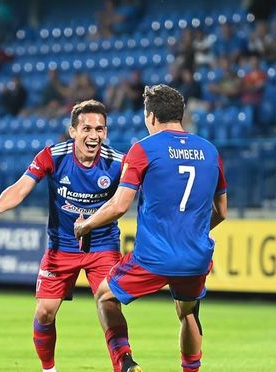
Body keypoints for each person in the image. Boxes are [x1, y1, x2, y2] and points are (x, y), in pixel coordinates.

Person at [74, 85, 228, 372]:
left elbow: (120, 206)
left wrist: (86, 225)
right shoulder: (210, 151)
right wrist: (192, 233)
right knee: (188, 313)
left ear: (152, 116)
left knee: (104, 295)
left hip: (154, 257)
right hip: (195, 255)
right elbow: (222, 211)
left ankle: (126, 364)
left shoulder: (143, 149)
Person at [0, 100, 126, 372]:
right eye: (86, 128)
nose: (93, 136)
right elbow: (21, 187)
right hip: (61, 248)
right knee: (45, 312)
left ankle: (125, 365)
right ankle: (49, 369)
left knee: (110, 305)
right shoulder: (52, 156)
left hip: (103, 246)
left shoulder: (118, 163)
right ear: (72, 131)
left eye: (100, 129)